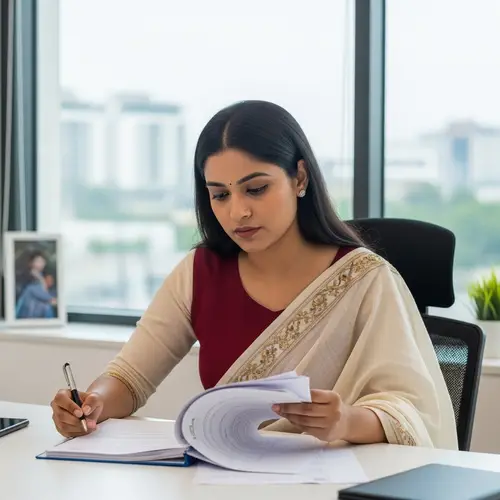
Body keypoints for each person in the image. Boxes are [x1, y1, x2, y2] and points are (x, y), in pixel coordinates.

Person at [50, 100, 458, 450]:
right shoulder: (199, 272)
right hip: (224, 479)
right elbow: (130, 378)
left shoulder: (366, 280)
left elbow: (415, 414)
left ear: (299, 178)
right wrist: (92, 404)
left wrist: (345, 421)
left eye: (256, 189)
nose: (237, 212)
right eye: (220, 195)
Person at [15, 250, 57, 319]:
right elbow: (41, 293)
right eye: (37, 261)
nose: (40, 264)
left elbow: (48, 293)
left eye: (42, 261)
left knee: (46, 306)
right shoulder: (26, 277)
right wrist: (41, 279)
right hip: (29, 309)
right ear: (31, 263)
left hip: (39, 308)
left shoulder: (46, 276)